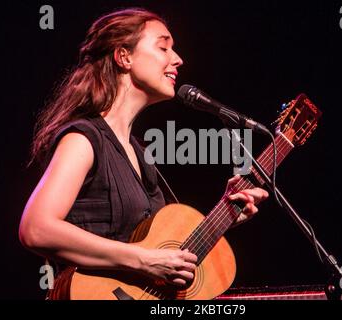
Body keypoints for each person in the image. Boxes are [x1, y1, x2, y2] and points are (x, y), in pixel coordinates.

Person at [19, 7, 269, 297]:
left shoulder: (139, 154)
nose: (177, 59)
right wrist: (146, 260)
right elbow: (36, 229)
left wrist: (227, 211)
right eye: (163, 47)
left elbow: (163, 255)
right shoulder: (83, 139)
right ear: (124, 56)